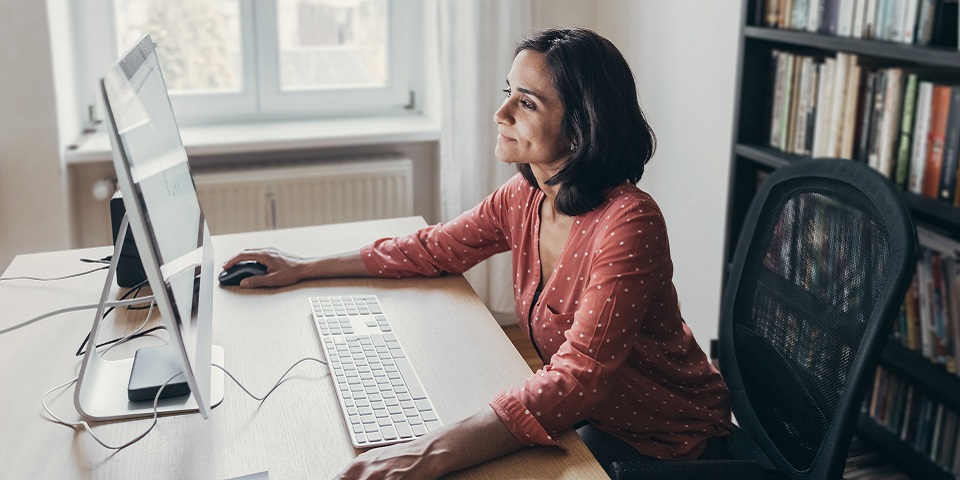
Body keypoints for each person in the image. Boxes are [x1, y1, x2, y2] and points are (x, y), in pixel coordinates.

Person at [225, 27, 731, 479]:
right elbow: (433, 249)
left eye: (527, 103)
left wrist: (425, 454)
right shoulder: (529, 194)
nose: (501, 113)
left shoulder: (629, 222)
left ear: (580, 127)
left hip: (667, 442)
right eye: (508, 93)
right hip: (594, 418)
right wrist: (302, 266)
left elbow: (577, 380)